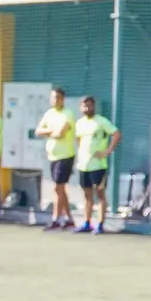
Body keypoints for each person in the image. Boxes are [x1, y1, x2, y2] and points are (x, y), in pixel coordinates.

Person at [73, 96, 121, 234]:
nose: (86, 108)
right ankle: (87, 223)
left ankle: (100, 224)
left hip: (98, 166)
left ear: (93, 106)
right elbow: (78, 140)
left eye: (89, 105)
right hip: (84, 165)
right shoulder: (80, 123)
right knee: (87, 195)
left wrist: (107, 151)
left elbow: (116, 134)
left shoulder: (101, 121)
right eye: (84, 106)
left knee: (100, 194)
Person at [35, 87, 77, 231]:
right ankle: (69, 219)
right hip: (52, 156)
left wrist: (48, 132)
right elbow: (38, 131)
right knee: (60, 189)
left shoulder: (68, 114)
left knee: (57, 188)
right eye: (53, 97)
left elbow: (61, 134)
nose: (55, 100)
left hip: (65, 156)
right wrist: (52, 131)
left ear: (63, 99)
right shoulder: (49, 113)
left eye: (58, 97)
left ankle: (56, 219)